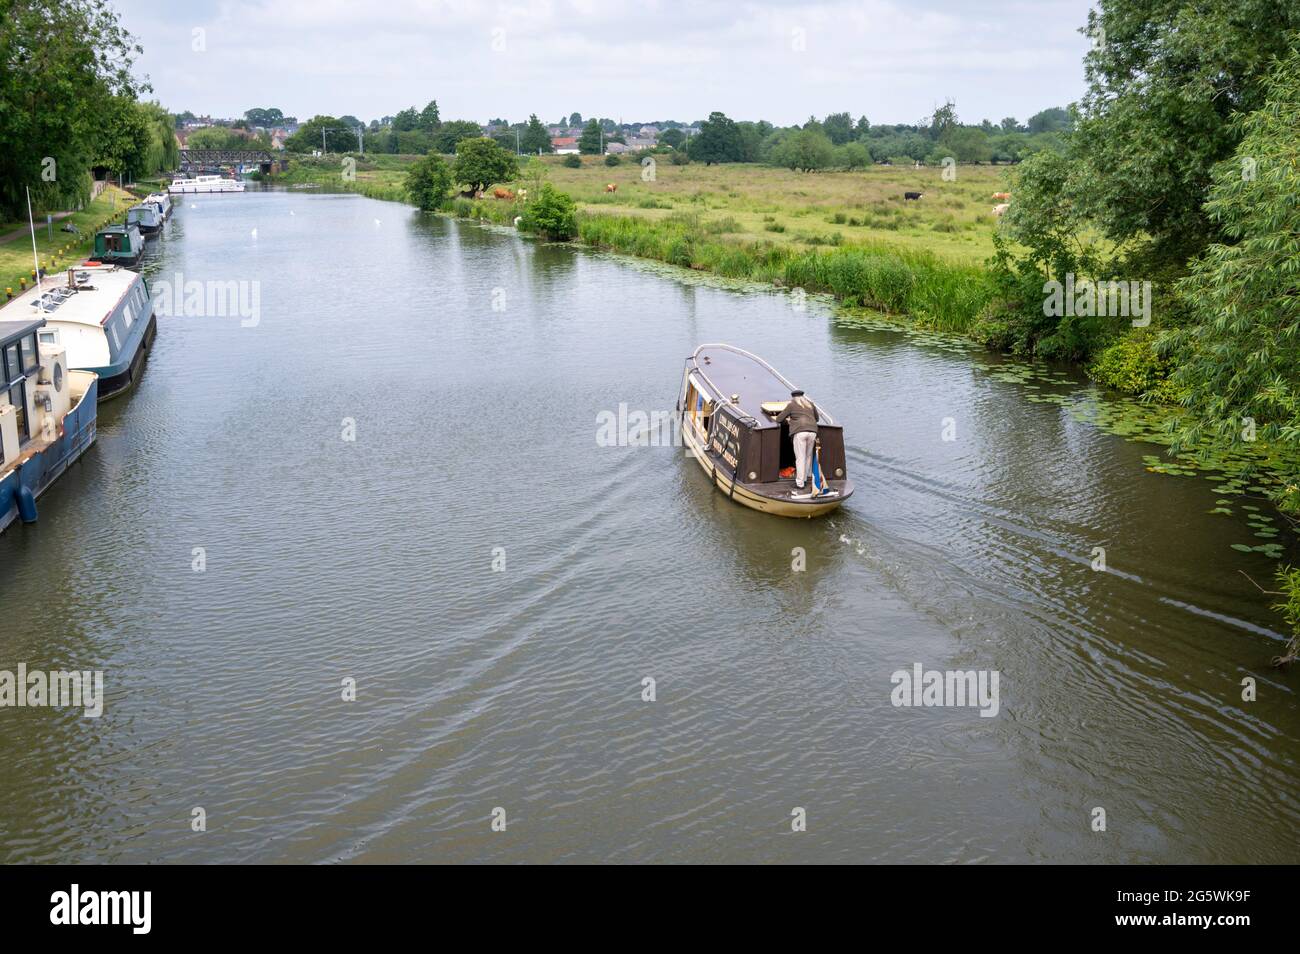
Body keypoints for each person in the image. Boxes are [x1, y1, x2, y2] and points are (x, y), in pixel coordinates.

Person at [775, 389, 819, 491]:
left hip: (800, 432)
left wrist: (789, 420)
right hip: (812, 432)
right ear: (803, 396)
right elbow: (817, 419)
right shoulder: (810, 404)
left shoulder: (792, 404)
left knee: (800, 458)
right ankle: (804, 480)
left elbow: (779, 419)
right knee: (808, 457)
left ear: (793, 397)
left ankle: (799, 484)